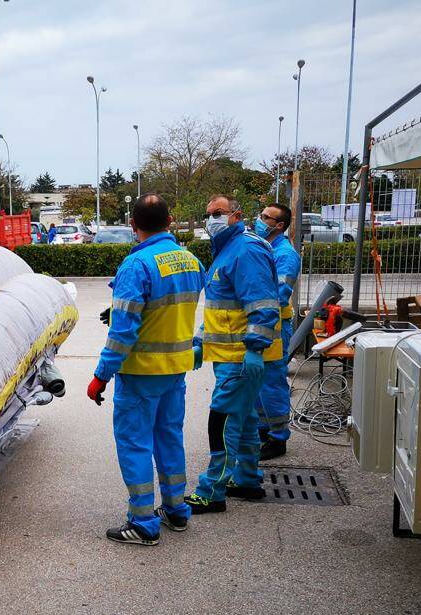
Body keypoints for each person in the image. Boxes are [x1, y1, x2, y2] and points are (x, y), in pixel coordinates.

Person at [87, 193, 204, 545]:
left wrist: (100, 376)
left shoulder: (136, 266)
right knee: (169, 438)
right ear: (170, 222)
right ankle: (176, 510)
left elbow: (123, 334)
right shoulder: (190, 261)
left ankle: (142, 523)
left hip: (140, 373)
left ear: (133, 226)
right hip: (175, 371)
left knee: (135, 444)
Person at [185, 195, 280, 514]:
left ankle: (211, 490)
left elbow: (263, 306)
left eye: (219, 213)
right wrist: (200, 339)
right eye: (208, 213)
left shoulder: (246, 250)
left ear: (236, 215)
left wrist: (254, 349)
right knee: (246, 419)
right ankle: (247, 479)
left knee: (222, 421)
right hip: (229, 357)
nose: (211, 218)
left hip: (240, 357)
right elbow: (220, 307)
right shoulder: (229, 249)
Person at [254, 202, 300, 460]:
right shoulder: (266, 248)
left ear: (279, 225)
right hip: (265, 323)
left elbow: (279, 296)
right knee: (260, 380)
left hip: (275, 325)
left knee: (272, 382)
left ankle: (279, 437)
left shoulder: (285, 255)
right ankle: (264, 428)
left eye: (265, 217)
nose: (260, 220)